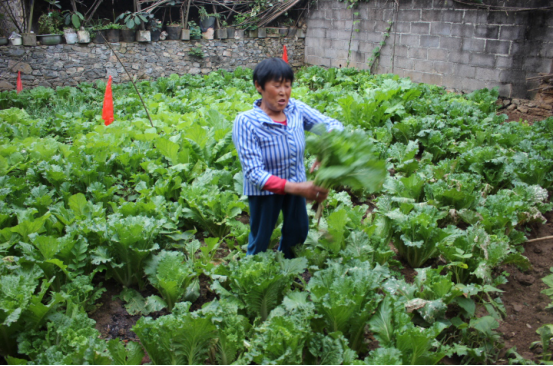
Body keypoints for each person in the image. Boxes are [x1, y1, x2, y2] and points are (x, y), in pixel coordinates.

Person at [232, 58, 344, 259]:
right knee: (261, 239)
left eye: (287, 85)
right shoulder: (246, 122)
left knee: (298, 232)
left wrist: (326, 149)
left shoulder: (295, 110)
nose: (283, 92)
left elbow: (332, 124)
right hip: (265, 192)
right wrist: (299, 188)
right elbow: (254, 173)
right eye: (276, 86)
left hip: (297, 183)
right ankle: (253, 273)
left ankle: (288, 270)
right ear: (259, 86)